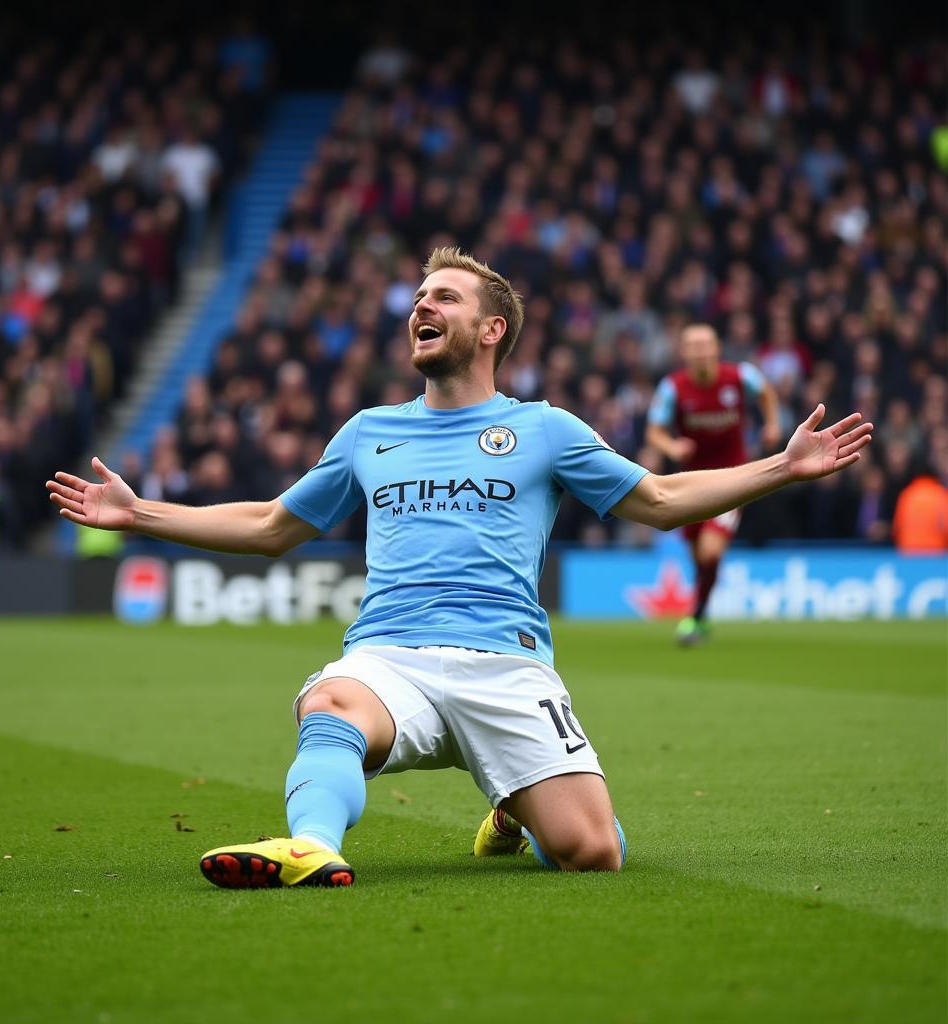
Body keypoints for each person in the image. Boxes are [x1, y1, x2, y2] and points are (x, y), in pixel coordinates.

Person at [47, 248, 872, 888]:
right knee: (328, 697)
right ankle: (311, 847)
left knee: (593, 854)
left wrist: (781, 467)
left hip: (508, 664)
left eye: (443, 297)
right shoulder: (370, 430)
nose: (420, 307)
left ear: (491, 330)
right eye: (417, 299)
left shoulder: (545, 428)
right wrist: (138, 514)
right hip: (390, 657)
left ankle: (511, 804)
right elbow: (270, 525)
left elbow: (657, 497)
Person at [646, 324, 782, 645]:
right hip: (690, 482)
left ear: (717, 348)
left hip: (734, 479)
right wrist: (672, 448)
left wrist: (773, 423)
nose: (701, 350)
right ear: (684, 352)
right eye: (693, 345)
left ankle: (694, 619)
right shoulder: (673, 388)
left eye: (706, 343)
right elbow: (654, 431)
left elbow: (766, 392)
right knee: (698, 558)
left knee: (710, 551)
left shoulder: (740, 376)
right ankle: (703, 614)